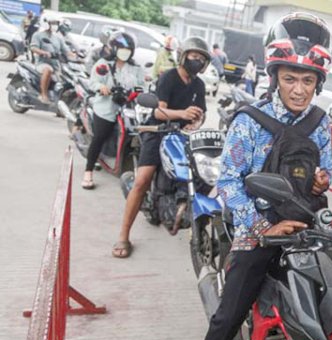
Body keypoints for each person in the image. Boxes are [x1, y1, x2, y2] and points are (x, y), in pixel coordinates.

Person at [197, 13, 332, 340]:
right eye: (290, 79)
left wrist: (321, 181)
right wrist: (261, 229)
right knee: (225, 319)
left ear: (318, 82)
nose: (299, 89)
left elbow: (326, 171)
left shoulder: (320, 123)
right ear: (274, 78)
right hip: (258, 230)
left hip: (304, 225)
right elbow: (228, 182)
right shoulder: (249, 121)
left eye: (308, 80)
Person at [111, 36, 209, 258]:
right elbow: (157, 111)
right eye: (194, 57)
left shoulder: (199, 85)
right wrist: (182, 114)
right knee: (142, 180)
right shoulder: (168, 77)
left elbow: (200, 113)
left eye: (202, 59)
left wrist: (196, 121)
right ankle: (123, 236)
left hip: (183, 135)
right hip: (158, 131)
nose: (198, 61)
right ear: (183, 56)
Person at [81, 32, 145, 190]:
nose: (125, 51)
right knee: (100, 137)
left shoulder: (135, 67)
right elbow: (93, 82)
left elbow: (142, 85)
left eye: (128, 49)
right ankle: (88, 171)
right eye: (122, 48)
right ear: (114, 48)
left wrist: (140, 92)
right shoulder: (103, 65)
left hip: (128, 108)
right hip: (106, 108)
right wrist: (101, 87)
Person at [29, 14, 71, 104]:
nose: (55, 25)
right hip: (42, 63)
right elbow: (33, 48)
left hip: (57, 65)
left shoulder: (58, 37)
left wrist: (76, 56)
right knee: (48, 70)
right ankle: (43, 94)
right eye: (53, 23)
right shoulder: (38, 35)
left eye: (56, 23)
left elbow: (66, 50)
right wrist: (44, 53)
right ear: (46, 23)